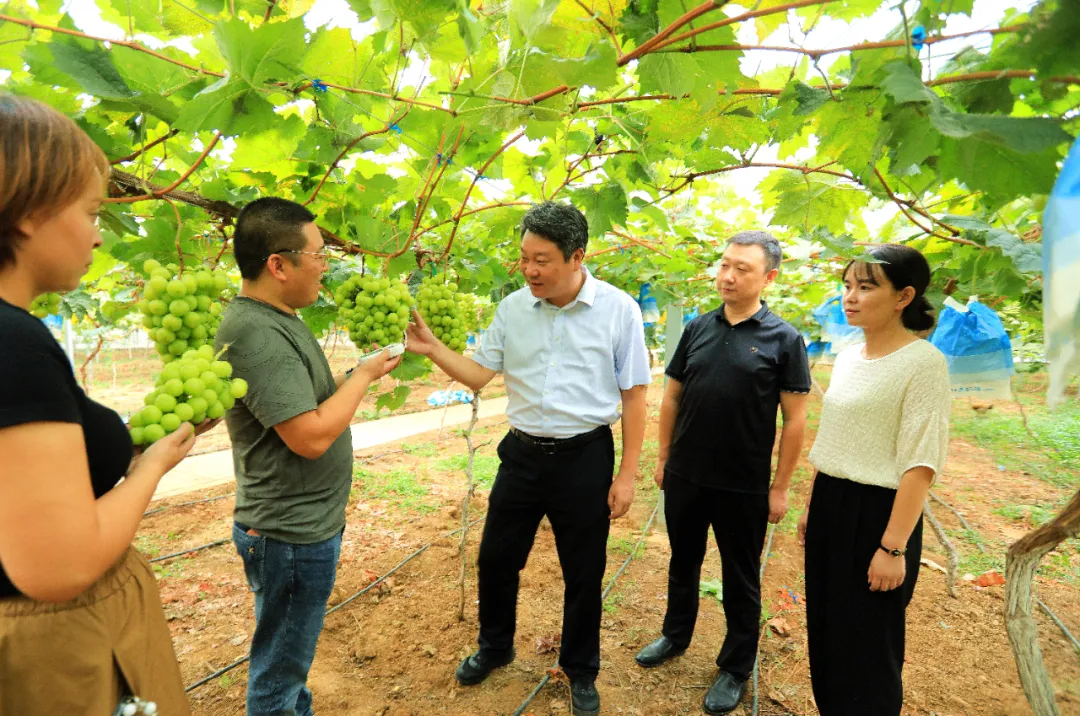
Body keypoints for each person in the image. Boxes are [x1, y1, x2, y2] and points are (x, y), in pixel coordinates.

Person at [405, 201, 650, 716]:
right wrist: (431, 349)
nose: (530, 270)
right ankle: (495, 648)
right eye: (524, 258)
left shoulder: (619, 309)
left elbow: (634, 395)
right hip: (521, 455)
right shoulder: (513, 308)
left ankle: (580, 669)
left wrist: (627, 474)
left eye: (542, 260)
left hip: (585, 457)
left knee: (583, 571)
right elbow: (477, 375)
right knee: (496, 558)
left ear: (577, 256)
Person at [0, 94, 199, 713]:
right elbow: (60, 567)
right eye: (90, 212)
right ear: (31, 212)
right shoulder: (13, 344)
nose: (95, 234)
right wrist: (149, 469)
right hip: (53, 655)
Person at [215, 197, 400, 716]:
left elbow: (307, 403)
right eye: (318, 254)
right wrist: (362, 378)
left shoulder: (279, 319)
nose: (326, 264)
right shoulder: (254, 332)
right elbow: (310, 436)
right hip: (289, 536)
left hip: (300, 529)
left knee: (287, 659)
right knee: (278, 673)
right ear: (279, 264)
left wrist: (358, 370)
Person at [635, 231, 810, 715]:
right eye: (724, 265)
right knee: (683, 561)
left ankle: (735, 667)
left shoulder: (785, 339)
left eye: (742, 269)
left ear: (768, 277)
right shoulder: (696, 328)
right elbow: (671, 397)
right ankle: (675, 635)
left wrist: (779, 487)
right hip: (687, 474)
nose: (728, 276)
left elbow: (794, 420)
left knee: (740, 576)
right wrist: (663, 456)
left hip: (744, 484)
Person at [798, 244, 950, 715]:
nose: (851, 297)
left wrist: (892, 548)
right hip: (831, 501)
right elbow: (838, 439)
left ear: (904, 297)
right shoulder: (848, 357)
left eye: (866, 287)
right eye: (847, 286)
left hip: (880, 516)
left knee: (869, 645)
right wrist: (810, 506)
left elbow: (920, 464)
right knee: (826, 631)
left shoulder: (922, 363)